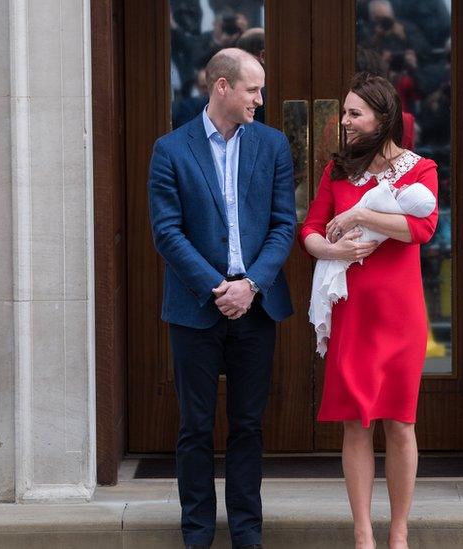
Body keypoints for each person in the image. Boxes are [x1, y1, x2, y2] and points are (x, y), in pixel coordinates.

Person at [147, 48, 295, 549]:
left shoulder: (272, 146)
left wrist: (250, 285)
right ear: (222, 87)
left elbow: (283, 226)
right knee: (194, 427)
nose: (261, 98)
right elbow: (167, 233)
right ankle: (197, 535)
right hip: (196, 308)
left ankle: (247, 534)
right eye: (253, 89)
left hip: (256, 307)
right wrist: (218, 288)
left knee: (248, 426)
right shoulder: (171, 149)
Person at [300, 73, 438, 549]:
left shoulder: (421, 169)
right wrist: (332, 252)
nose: (345, 121)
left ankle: (398, 533)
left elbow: (420, 230)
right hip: (353, 312)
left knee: (400, 422)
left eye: (355, 113)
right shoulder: (335, 171)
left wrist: (359, 214)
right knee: (356, 422)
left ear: (383, 119)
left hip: (400, 314)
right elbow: (311, 230)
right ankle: (363, 535)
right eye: (345, 112)